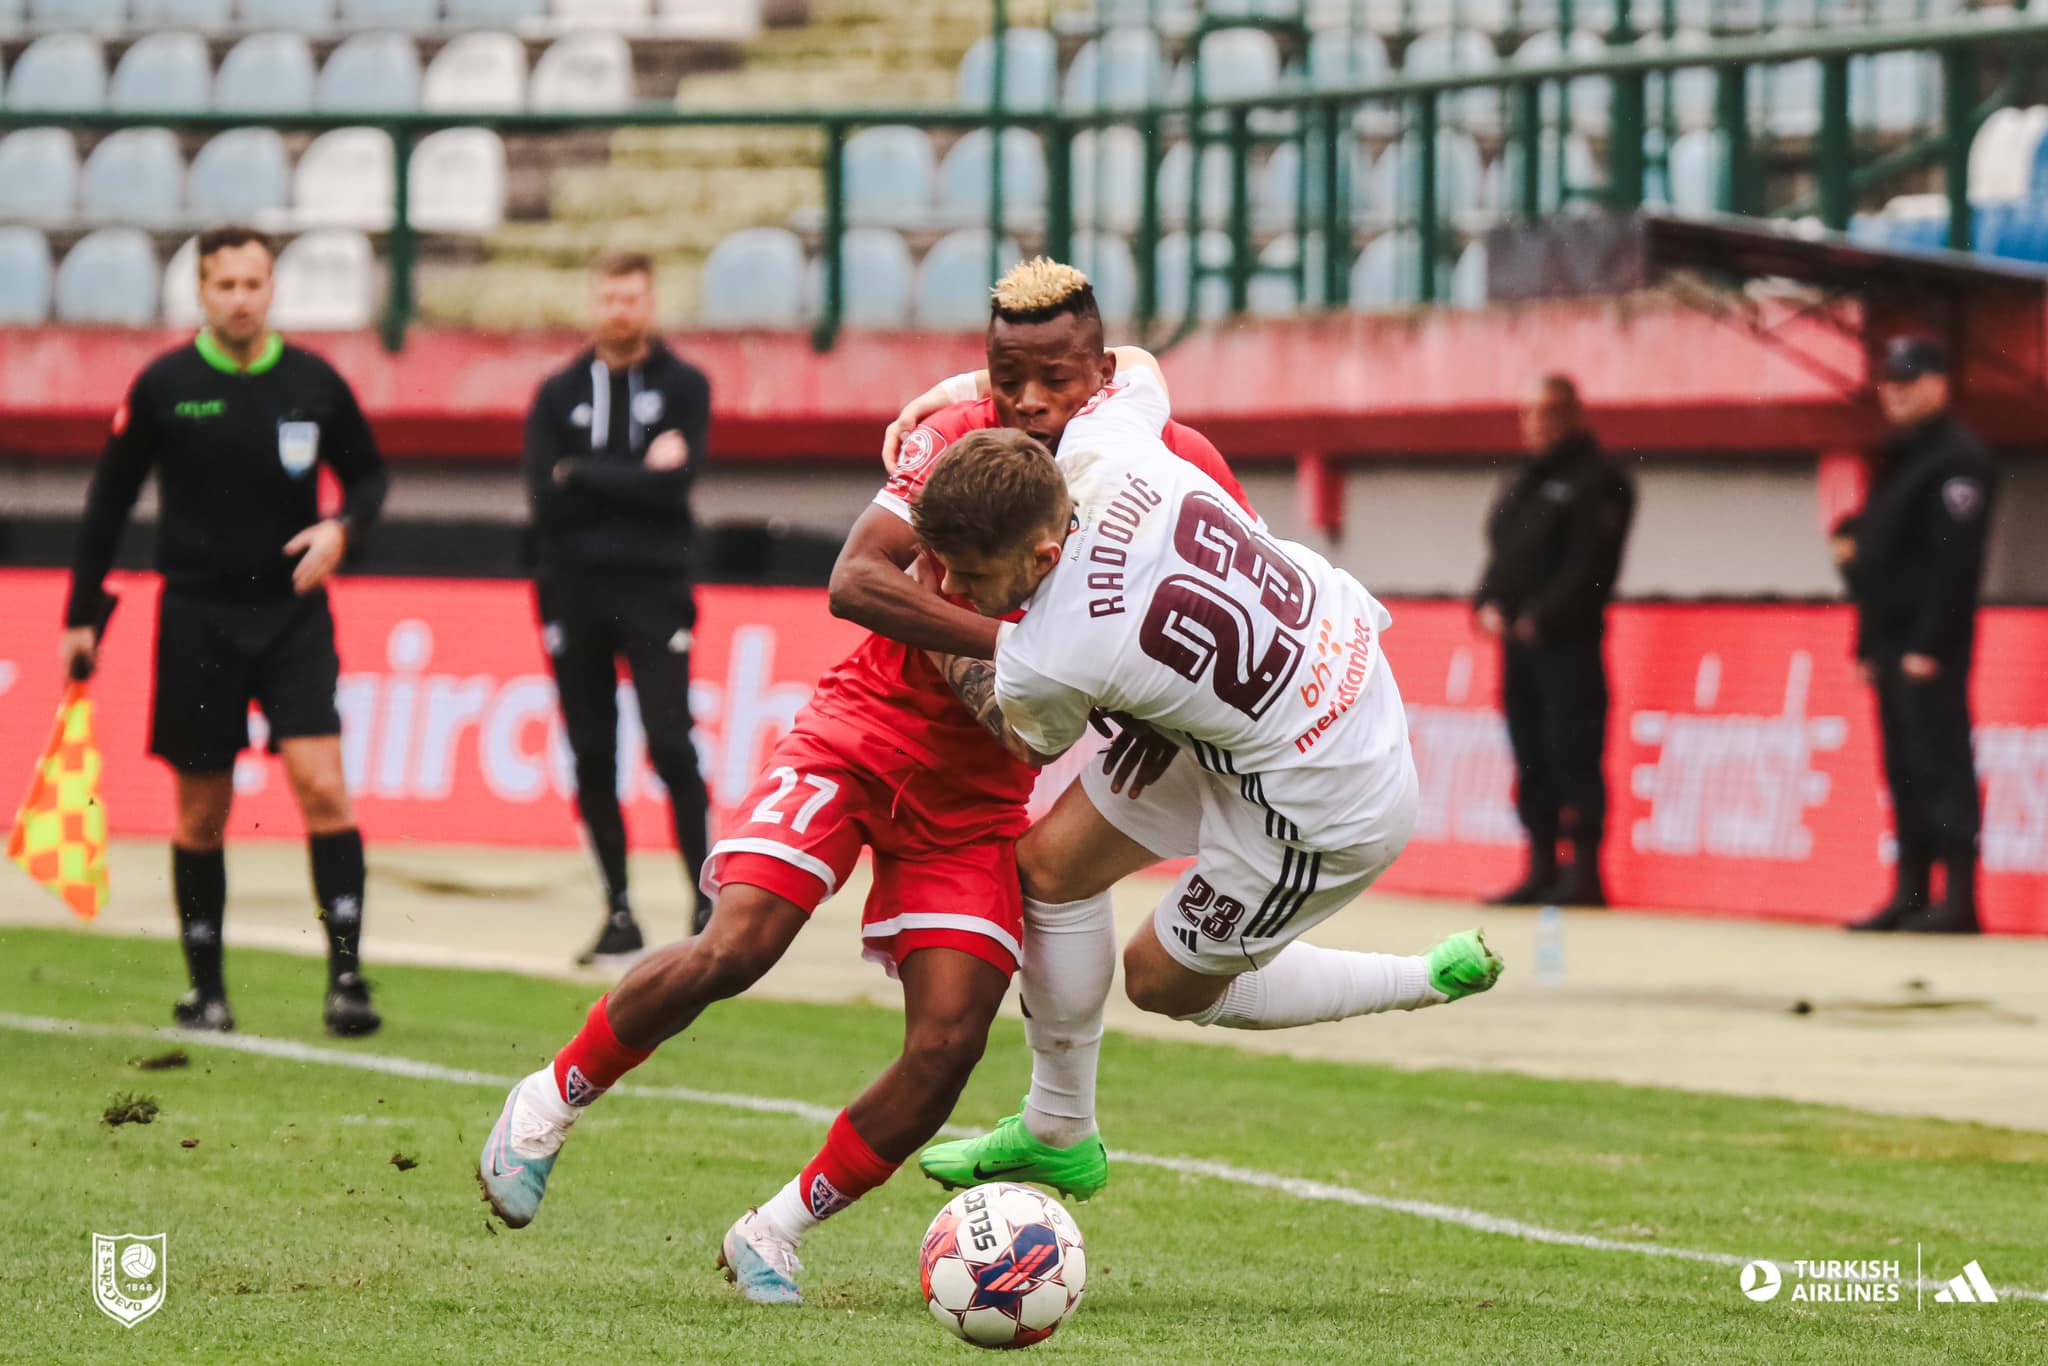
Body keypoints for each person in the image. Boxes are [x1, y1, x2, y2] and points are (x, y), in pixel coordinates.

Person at [476, 260, 1235, 1305]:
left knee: (950, 1041)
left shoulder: (1160, 458)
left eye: (1051, 378)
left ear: (1098, 373)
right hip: (860, 733)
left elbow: (1216, 585)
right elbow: (855, 577)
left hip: (976, 802)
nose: (1022, 402)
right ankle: (549, 1098)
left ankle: (772, 1232)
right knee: (735, 946)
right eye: (1003, 375)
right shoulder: (951, 431)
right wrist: (1023, 659)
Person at [913, 370, 1503, 1201]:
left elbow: (1022, 738)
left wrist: (927, 629)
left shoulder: (1055, 651)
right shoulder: (1101, 445)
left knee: (1161, 980)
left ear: (1043, 552)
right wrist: (973, 383)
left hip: (1325, 799)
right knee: (1049, 868)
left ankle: (1417, 980)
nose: (953, 590)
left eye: (969, 577)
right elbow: (1140, 366)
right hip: (1311, 681)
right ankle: (1057, 1132)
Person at [62, 224, 388, 1036]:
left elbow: (372, 473)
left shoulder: (314, 380)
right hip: (198, 618)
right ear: (201, 292)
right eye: (225, 285)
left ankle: (347, 978)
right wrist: (79, 611)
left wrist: (342, 526)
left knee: (322, 787)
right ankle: (206, 991)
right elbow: (109, 500)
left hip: (292, 615)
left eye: (253, 283)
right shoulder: (165, 384)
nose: (241, 299)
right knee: (201, 811)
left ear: (272, 288)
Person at [525, 250, 716, 963]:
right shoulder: (557, 392)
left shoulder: (685, 385)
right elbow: (543, 499)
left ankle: (705, 901)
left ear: (651, 302)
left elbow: (678, 485)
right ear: (592, 302)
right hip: (572, 591)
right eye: (608, 297)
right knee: (591, 752)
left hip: (654, 588)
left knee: (670, 741)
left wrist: (582, 473)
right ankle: (619, 912)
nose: (619, 310)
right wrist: (634, 476)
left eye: (632, 297)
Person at [1839, 337, 1997, 935]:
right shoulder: (1897, 455)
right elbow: (1880, 559)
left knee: (1941, 761)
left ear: (1939, 385)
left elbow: (1954, 564)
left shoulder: (1960, 458)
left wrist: (1928, 645)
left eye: (1908, 381)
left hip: (1931, 645)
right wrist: (1865, 642)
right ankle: (1908, 890)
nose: (1895, 393)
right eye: (1890, 381)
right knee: (1901, 765)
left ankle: (1958, 898)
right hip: (1889, 641)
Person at [1472, 375, 1635, 908]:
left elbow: (1592, 567)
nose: (1536, 427)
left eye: (1547, 415)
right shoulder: (1523, 479)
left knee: (1574, 752)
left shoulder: (1600, 479)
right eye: (1529, 415)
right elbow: (1503, 554)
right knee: (1530, 753)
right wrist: (1488, 602)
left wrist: (1543, 617)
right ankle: (1540, 866)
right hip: (1519, 649)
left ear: (1572, 416)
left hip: (1569, 648)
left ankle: (1584, 872)